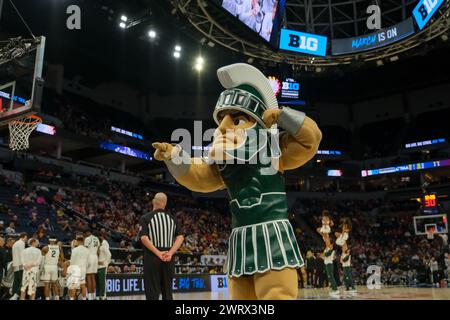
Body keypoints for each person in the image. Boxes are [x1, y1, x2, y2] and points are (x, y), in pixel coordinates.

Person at [152, 63, 322, 300]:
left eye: (237, 120)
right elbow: (198, 177)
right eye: (221, 120)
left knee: (276, 296)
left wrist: (285, 116)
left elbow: (310, 141)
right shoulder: (224, 163)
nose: (222, 127)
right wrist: (174, 155)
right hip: (240, 242)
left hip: (272, 240)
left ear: (258, 124)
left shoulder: (274, 149)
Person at [139, 193, 185, 300]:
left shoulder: (145, 218)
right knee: (167, 292)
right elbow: (180, 238)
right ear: (165, 204)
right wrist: (170, 253)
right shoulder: (173, 219)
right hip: (168, 258)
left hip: (152, 257)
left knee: (152, 292)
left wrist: (158, 253)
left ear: (153, 201)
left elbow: (144, 238)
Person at [68, 235, 89, 300]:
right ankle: (84, 298)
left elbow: (72, 261)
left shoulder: (75, 250)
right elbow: (88, 261)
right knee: (83, 285)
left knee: (73, 285)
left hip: (76, 269)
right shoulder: (87, 250)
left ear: (77, 241)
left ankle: (71, 299)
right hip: (83, 269)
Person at [10, 232, 27, 300]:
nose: (26, 239)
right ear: (24, 237)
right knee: (22, 282)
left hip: (15, 265)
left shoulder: (16, 243)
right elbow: (22, 255)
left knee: (16, 282)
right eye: (26, 237)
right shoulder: (21, 243)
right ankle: (16, 295)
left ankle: (14, 295)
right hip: (20, 265)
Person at [84, 229, 100, 300]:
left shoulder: (87, 239)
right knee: (93, 276)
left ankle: (90, 296)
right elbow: (98, 251)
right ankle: (94, 295)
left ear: (88, 232)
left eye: (85, 233)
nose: (85, 235)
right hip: (95, 257)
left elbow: (85, 250)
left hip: (89, 257)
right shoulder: (97, 239)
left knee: (88, 276)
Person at [96, 234, 111, 300]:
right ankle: (97, 296)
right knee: (98, 282)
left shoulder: (104, 246)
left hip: (102, 266)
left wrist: (105, 263)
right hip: (96, 266)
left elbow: (109, 255)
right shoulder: (96, 247)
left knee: (102, 282)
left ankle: (103, 296)